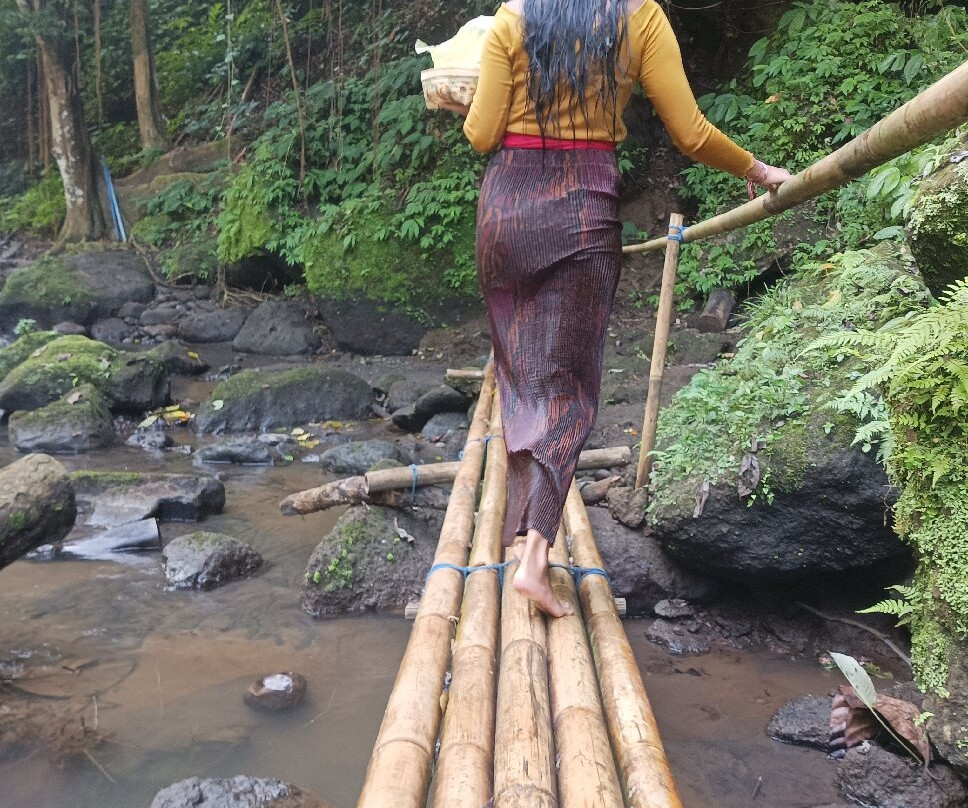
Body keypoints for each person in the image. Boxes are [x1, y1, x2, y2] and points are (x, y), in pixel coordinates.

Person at [444, 0, 790, 616]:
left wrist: (463, 101)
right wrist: (757, 169)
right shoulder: (642, 18)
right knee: (568, 388)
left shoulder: (513, 15)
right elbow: (690, 133)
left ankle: (526, 533)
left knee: (522, 377)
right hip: (582, 211)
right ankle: (534, 556)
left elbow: (479, 135)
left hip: (506, 214)